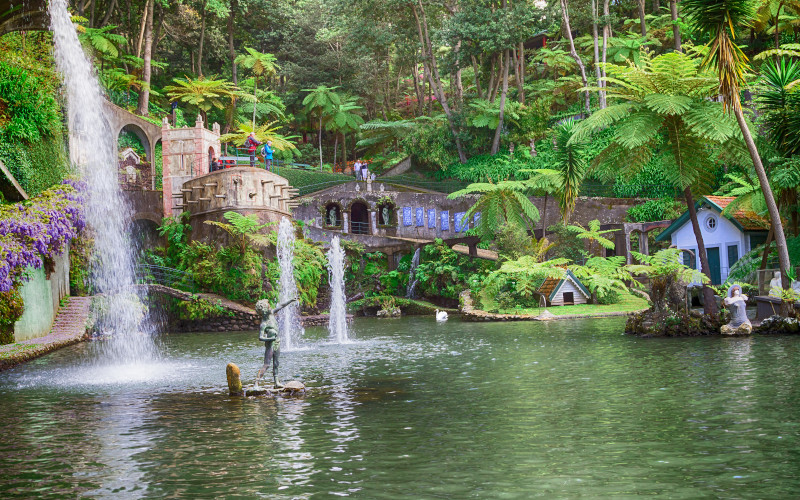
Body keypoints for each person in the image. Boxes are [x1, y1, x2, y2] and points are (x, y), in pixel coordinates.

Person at [254, 298, 298, 388]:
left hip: (277, 342)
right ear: (263, 311)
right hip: (270, 345)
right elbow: (260, 337)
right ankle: (256, 383)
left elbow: (281, 306)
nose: (270, 308)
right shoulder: (264, 323)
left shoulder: (271, 314)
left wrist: (290, 300)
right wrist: (270, 339)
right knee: (266, 364)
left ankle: (276, 382)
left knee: (276, 363)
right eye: (268, 307)